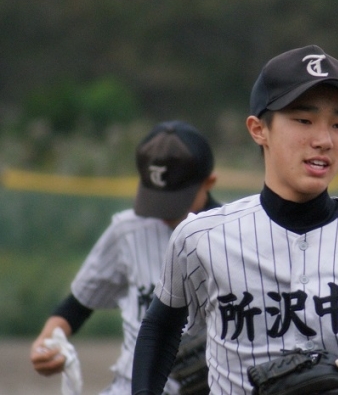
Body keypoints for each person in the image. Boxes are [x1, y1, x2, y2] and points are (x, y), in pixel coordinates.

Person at [132, 45, 338, 395]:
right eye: (303, 121)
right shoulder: (199, 238)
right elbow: (160, 328)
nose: (324, 140)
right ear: (258, 129)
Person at [30, 120, 220, 395]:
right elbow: (77, 306)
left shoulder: (233, 235)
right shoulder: (127, 230)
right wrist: (48, 342)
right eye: (156, 198)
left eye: (175, 200)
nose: (163, 211)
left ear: (209, 182)